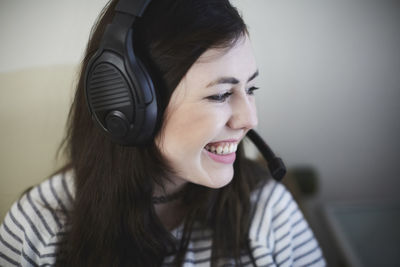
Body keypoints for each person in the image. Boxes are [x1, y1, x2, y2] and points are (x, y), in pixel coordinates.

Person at [0, 0, 326, 266]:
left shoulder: (269, 212)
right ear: (126, 106)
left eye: (250, 87)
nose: (249, 119)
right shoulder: (36, 229)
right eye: (221, 95)